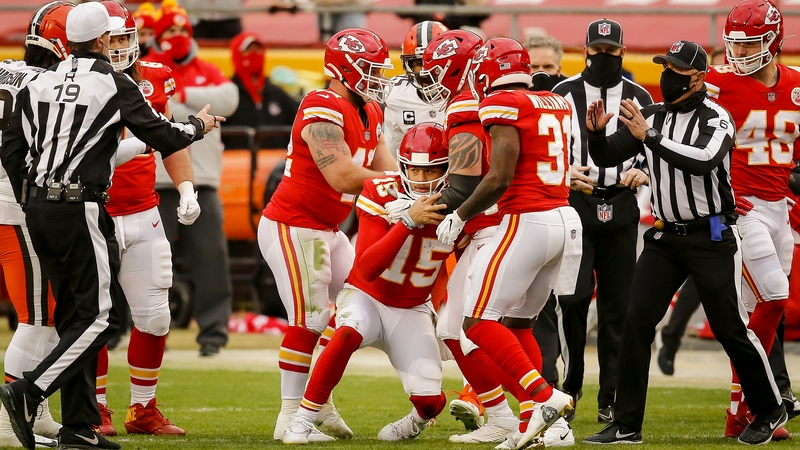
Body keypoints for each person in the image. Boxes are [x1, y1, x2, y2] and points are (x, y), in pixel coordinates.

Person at [0, 2, 221, 449]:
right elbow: (165, 136)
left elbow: (12, 146)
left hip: (39, 205)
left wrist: (33, 191)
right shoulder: (114, 83)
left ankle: (79, 428)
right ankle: (30, 390)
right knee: (100, 319)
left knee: (72, 319)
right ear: (101, 40)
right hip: (80, 208)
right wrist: (198, 125)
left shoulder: (40, 82)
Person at [581, 40, 786, 445]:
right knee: (636, 321)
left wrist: (650, 136)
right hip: (665, 237)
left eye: (675, 70)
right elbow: (608, 157)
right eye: (664, 67)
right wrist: (597, 136)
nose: (667, 75)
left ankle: (770, 407)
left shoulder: (718, 118)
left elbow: (702, 160)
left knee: (730, 329)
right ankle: (626, 424)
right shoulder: (654, 115)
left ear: (697, 79)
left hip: (711, 235)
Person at [436, 37, 581, 450]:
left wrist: (458, 214)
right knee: (519, 325)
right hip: (565, 219)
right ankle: (551, 429)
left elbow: (499, 176)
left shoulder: (502, 104)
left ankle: (543, 399)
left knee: (476, 322)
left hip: (528, 220)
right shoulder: (555, 101)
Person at [258, 27, 398, 441]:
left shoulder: (370, 111)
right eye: (370, 70)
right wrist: (399, 194)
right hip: (293, 224)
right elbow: (341, 175)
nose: (377, 78)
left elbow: (389, 170)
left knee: (360, 305)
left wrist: (416, 189)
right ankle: (290, 417)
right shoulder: (321, 106)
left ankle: (317, 404)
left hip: (329, 229)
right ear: (344, 68)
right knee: (311, 317)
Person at [282, 123, 453, 444]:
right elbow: (368, 266)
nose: (420, 180)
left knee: (430, 401)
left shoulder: (460, 201)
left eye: (430, 171)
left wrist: (443, 313)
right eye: (413, 170)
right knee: (347, 331)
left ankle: (415, 422)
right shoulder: (381, 191)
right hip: (367, 295)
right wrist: (408, 222)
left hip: (412, 307)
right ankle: (301, 420)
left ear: (447, 169)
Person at [91, 0, 194, 437]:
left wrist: (186, 187)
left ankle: (142, 408)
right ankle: (95, 409)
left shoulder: (154, 78)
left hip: (143, 209)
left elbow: (169, 140)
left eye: (123, 39)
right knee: (91, 316)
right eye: (109, 39)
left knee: (155, 315)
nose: (117, 48)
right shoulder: (75, 82)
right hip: (91, 209)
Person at [704, 0, 799, 439]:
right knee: (774, 299)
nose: (740, 55)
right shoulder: (716, 83)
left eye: (751, 45)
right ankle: (759, 403)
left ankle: (737, 411)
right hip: (740, 209)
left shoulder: (797, 85)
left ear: (775, 42)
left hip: (781, 207)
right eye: (736, 46)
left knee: (752, 313)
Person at [551, 18, 652, 424]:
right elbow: (549, 147)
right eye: (598, 50)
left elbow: (652, 149)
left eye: (612, 52)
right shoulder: (562, 93)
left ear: (622, 52)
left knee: (618, 309)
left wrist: (642, 176)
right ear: (585, 50)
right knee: (572, 301)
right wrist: (563, 175)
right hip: (576, 202)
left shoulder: (639, 95)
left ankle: (609, 395)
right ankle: (571, 383)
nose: (604, 57)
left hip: (623, 204)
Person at [0, 2, 76, 448]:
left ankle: (37, 411)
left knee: (45, 314)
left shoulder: (7, 69)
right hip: (18, 208)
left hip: (11, 205)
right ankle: (8, 422)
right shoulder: (50, 85)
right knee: (36, 317)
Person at [144, 0, 239, 357]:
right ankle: (131, 331)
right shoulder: (147, 69)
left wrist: (179, 96)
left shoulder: (208, 70)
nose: (178, 36)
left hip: (203, 182)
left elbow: (229, 99)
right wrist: (192, 111)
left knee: (211, 259)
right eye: (171, 30)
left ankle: (213, 335)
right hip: (154, 183)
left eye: (184, 30)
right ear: (159, 34)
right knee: (146, 263)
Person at [525, 33, 567, 390]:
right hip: (537, 215)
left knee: (554, 308)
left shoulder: (569, 100)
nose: (540, 74)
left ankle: (549, 388)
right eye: (533, 67)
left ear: (560, 68)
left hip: (551, 214)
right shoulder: (565, 103)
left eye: (547, 67)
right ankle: (543, 390)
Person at [223, 32, 299, 150]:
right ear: (237, 55)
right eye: (248, 50)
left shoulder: (277, 93)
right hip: (237, 163)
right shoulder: (226, 93)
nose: (254, 54)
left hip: (277, 164)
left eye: (258, 49)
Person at [382, 21, 448, 157]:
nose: (425, 71)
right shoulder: (395, 94)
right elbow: (392, 157)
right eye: (419, 63)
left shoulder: (468, 95)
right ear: (409, 65)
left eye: (432, 62)